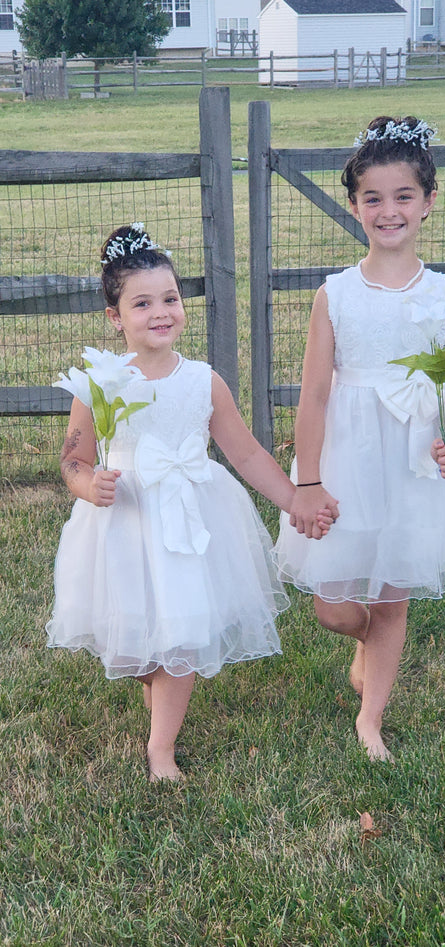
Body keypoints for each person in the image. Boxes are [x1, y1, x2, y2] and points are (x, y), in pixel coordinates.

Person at [46, 224, 332, 782]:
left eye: (171, 299)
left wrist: (295, 498)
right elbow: (72, 460)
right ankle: (156, 688)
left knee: (182, 633)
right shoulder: (100, 385)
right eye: (143, 302)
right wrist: (89, 486)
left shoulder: (203, 381)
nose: (161, 312)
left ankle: (161, 750)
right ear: (115, 316)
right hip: (124, 522)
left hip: (190, 521)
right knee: (138, 639)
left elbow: (246, 455)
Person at [273, 116, 445, 762]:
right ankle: (361, 641)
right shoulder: (334, 295)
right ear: (353, 205)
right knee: (334, 606)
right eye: (373, 197)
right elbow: (313, 394)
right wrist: (307, 479)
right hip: (345, 455)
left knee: (392, 593)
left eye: (402, 196)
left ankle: (371, 718)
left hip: (412, 463)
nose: (387, 210)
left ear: (427, 202)